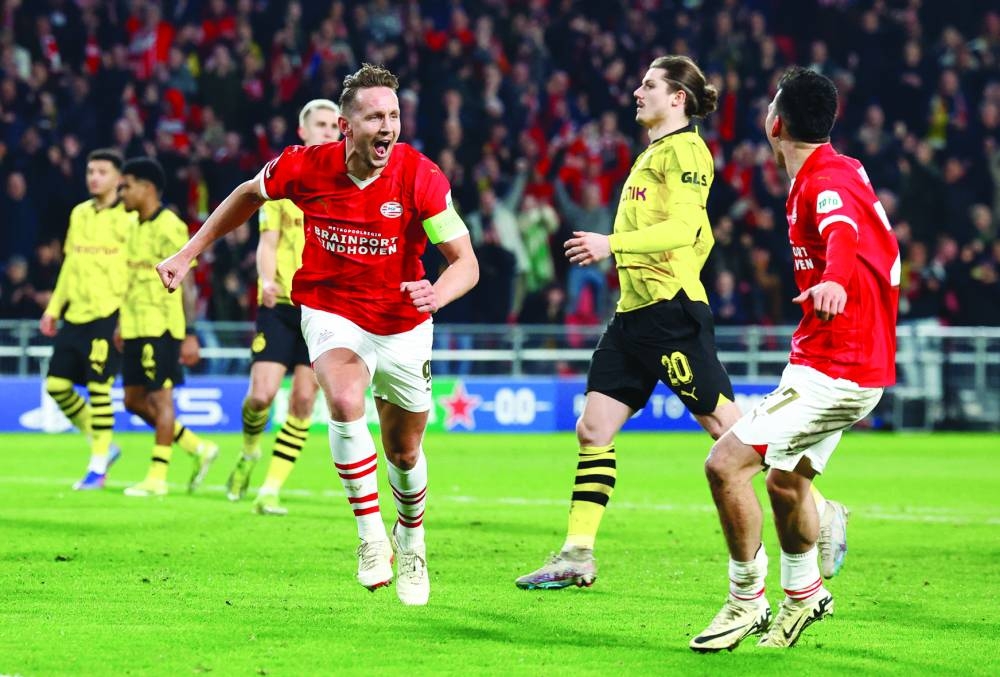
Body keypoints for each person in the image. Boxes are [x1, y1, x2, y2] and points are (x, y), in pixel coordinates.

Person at [515, 56, 847, 592]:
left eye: (649, 84)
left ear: (678, 99)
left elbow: (688, 223)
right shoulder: (653, 153)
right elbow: (702, 235)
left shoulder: (688, 152)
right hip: (632, 316)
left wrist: (611, 244)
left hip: (671, 314)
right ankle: (577, 554)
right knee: (593, 428)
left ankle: (823, 510)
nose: (636, 92)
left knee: (731, 433)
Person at [155, 64, 479, 606]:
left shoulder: (420, 175)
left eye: (394, 116)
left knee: (403, 451)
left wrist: (438, 294)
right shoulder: (304, 167)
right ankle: (370, 535)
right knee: (345, 399)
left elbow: (464, 262)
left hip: (402, 321)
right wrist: (188, 252)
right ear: (346, 126)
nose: (388, 127)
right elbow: (246, 193)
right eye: (375, 116)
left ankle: (413, 539)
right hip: (330, 308)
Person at [691, 67, 899, 651]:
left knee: (725, 466)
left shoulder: (823, 182)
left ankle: (744, 601)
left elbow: (841, 232)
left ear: (775, 122)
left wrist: (834, 281)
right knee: (785, 484)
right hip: (837, 361)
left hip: (839, 368)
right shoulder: (838, 167)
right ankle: (806, 597)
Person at [224, 98, 342, 516]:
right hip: (280, 304)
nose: (330, 131)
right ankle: (250, 450)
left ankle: (270, 490)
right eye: (322, 124)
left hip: (322, 310)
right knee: (261, 395)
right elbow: (267, 243)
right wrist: (266, 279)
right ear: (303, 132)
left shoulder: (347, 186)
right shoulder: (282, 185)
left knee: (303, 402)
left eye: (335, 125)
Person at [116, 157, 218, 498]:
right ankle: (197, 447)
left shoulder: (170, 225)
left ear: (146, 188)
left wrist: (190, 331)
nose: (122, 192)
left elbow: (186, 284)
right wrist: (120, 322)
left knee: (161, 399)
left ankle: (157, 477)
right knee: (132, 401)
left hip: (161, 326)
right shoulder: (133, 226)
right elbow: (131, 279)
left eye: (126, 185)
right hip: (133, 325)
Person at [39, 149, 132, 490]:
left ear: (119, 179)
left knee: (99, 388)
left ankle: (97, 466)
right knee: (57, 386)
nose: (94, 177)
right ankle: (106, 445)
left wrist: (127, 317)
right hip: (75, 314)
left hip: (109, 314)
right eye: (90, 171)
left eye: (102, 172)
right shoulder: (79, 214)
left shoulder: (129, 217)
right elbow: (70, 265)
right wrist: (53, 308)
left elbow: (136, 271)